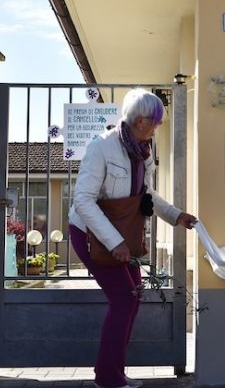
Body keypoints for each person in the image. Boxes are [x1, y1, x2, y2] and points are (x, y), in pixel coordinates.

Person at [68, 88, 196, 388]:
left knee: (132, 298)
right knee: (124, 299)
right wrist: (115, 243)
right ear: (140, 120)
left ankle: (113, 373)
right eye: (156, 120)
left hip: (121, 235)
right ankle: (108, 378)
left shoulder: (143, 151)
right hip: (91, 234)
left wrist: (177, 215)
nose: (158, 126)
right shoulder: (101, 147)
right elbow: (83, 201)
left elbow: (146, 194)